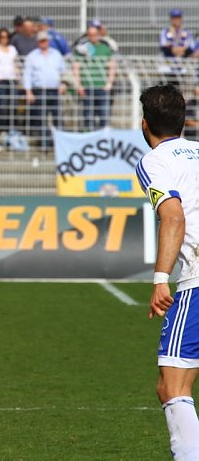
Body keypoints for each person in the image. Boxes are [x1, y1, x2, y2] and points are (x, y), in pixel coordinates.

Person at [135, 83, 199, 460]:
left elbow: (172, 215)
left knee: (171, 386)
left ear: (144, 125)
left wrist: (161, 278)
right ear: (184, 122)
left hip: (196, 282)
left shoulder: (154, 160)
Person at [23, 31, 66, 148]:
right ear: (38, 42)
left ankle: (61, 144)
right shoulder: (32, 56)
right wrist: (28, 91)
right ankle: (45, 145)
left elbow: (63, 72)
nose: (43, 43)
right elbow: (27, 75)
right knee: (41, 118)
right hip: (40, 90)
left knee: (58, 118)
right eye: (41, 41)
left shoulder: (56, 54)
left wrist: (63, 84)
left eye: (45, 40)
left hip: (54, 90)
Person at [72, 26, 116, 131]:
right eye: (90, 35)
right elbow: (76, 67)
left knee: (104, 114)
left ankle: (103, 136)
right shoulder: (82, 49)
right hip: (87, 85)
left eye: (95, 34)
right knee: (88, 114)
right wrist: (78, 84)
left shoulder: (105, 49)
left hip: (102, 86)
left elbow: (112, 66)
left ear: (99, 35)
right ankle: (90, 136)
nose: (93, 37)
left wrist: (109, 83)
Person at [160, 9, 193, 82]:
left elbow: (190, 48)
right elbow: (164, 46)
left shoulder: (186, 32)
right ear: (171, 19)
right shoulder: (165, 32)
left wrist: (177, 49)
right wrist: (176, 49)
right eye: (174, 18)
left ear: (181, 18)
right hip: (168, 67)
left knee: (181, 90)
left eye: (178, 17)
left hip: (182, 67)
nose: (176, 20)